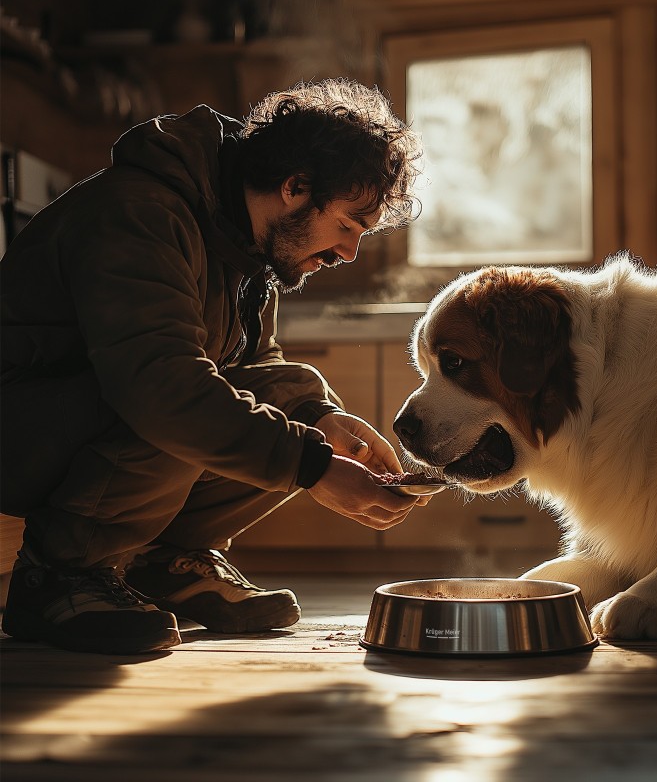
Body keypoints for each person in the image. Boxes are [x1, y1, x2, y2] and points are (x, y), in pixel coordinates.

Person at [0, 78, 426, 654]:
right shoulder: (140, 215)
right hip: (18, 432)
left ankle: (167, 560)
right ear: (295, 188)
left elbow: (256, 369)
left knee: (295, 389)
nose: (349, 251)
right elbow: (160, 387)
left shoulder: (249, 247)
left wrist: (319, 422)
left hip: (79, 422)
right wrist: (312, 466)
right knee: (177, 397)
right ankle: (58, 576)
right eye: (349, 225)